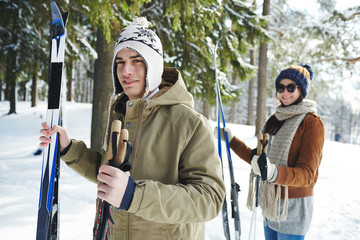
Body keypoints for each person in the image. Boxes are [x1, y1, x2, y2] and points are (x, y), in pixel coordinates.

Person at [39, 17, 225, 239]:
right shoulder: (121, 114)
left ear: (154, 66)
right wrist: (68, 148)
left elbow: (209, 199)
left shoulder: (188, 123)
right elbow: (110, 173)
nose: (126, 70)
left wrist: (134, 195)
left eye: (136, 60)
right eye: (119, 61)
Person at [220, 64, 324, 240]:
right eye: (281, 87)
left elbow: (308, 175)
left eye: (291, 87)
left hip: (293, 208)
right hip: (270, 203)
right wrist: (232, 141)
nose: (285, 92)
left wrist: (274, 172)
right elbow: (260, 161)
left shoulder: (311, 122)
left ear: (302, 90)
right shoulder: (275, 119)